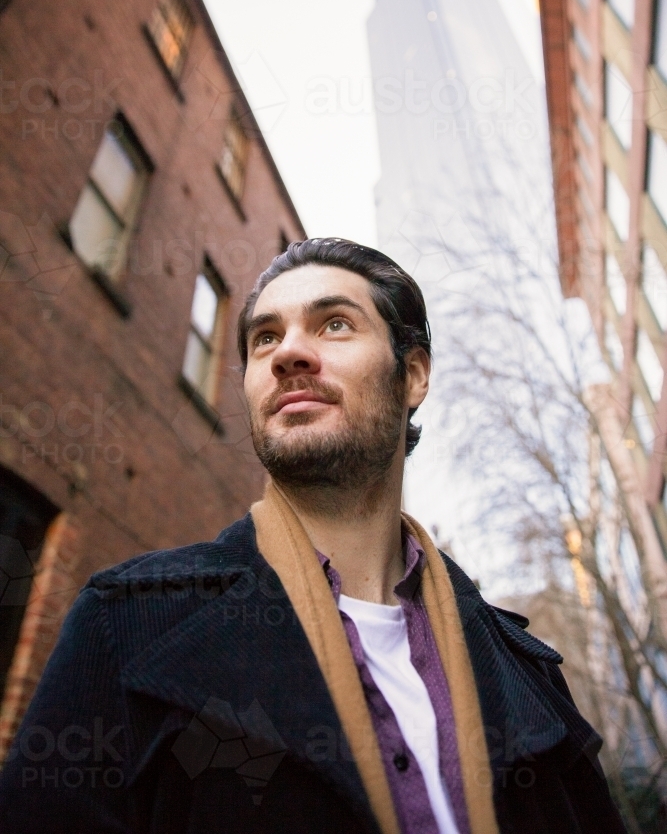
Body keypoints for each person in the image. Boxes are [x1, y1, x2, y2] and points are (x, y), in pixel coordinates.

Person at [0, 238, 626, 834]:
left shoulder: (529, 673)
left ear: (413, 376)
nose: (286, 353)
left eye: (333, 324)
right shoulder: (127, 624)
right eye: (265, 336)